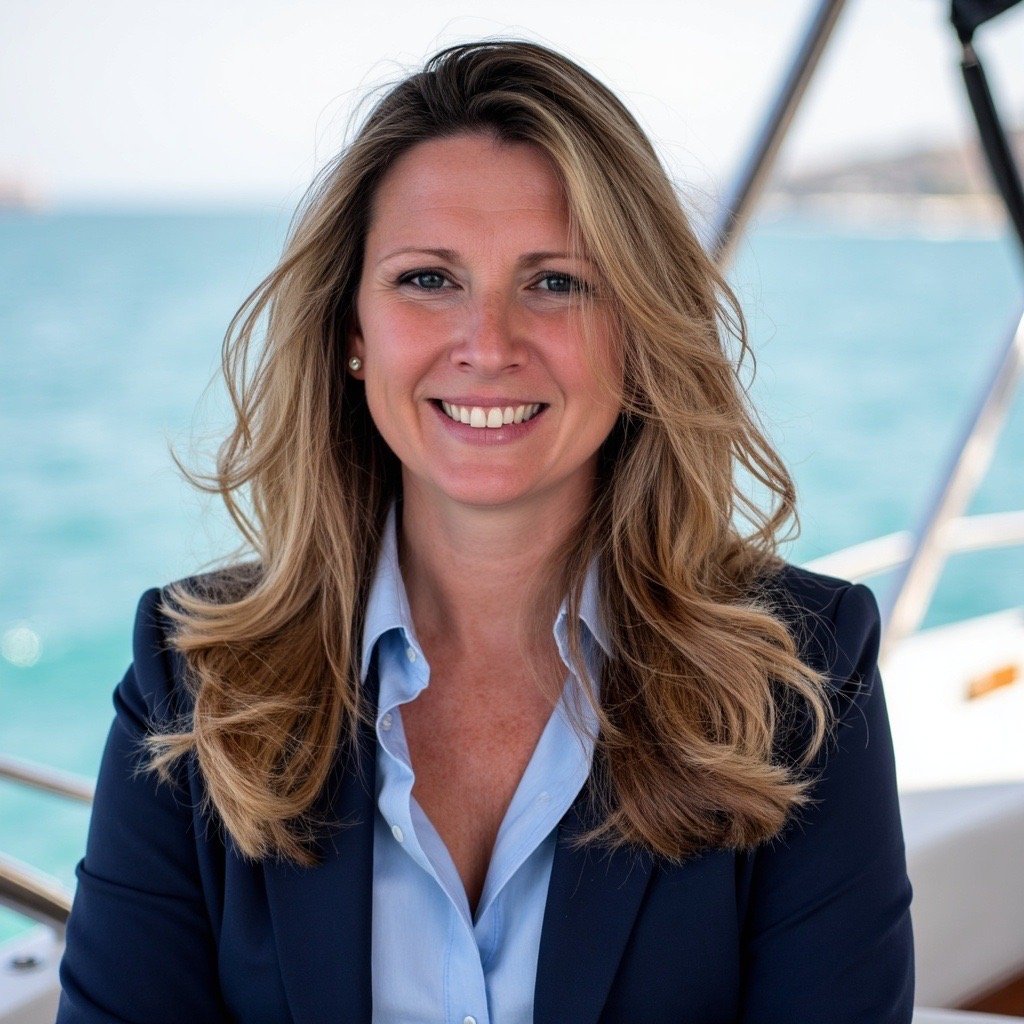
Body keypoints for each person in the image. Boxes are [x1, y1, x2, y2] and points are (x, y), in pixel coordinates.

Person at [56, 39, 914, 1024]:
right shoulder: (193, 677)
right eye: (429, 279)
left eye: (554, 282)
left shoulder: (805, 674)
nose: (489, 344)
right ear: (350, 329)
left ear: (635, 333)